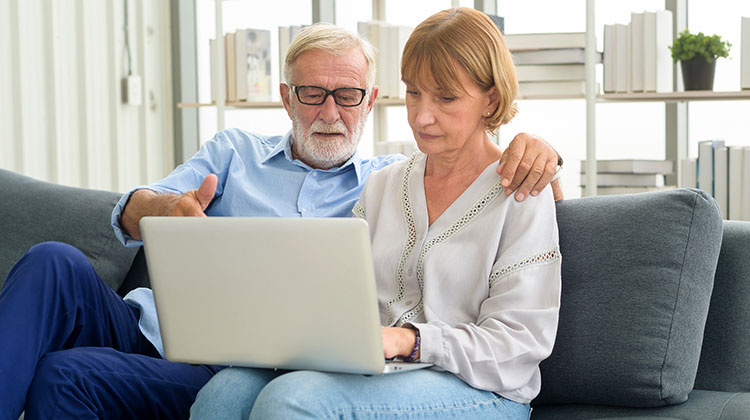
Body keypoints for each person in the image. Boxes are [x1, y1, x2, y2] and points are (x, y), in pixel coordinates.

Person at [0, 21, 561, 420]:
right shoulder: (240, 153)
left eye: (347, 95)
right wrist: (160, 210)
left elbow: (493, 179)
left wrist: (542, 153)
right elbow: (135, 212)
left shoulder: (386, 176)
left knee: (67, 375)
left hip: (238, 362)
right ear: (287, 98)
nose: (330, 111)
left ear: (369, 103)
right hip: (154, 328)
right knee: (53, 261)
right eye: (313, 94)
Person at [190, 8, 561, 420]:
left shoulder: (522, 192)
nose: (421, 116)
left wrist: (410, 341)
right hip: (381, 371)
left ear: (490, 98)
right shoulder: (384, 184)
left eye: (446, 97)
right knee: (224, 394)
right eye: (414, 92)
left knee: (293, 400)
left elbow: (519, 344)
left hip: (482, 389)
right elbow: (341, 299)